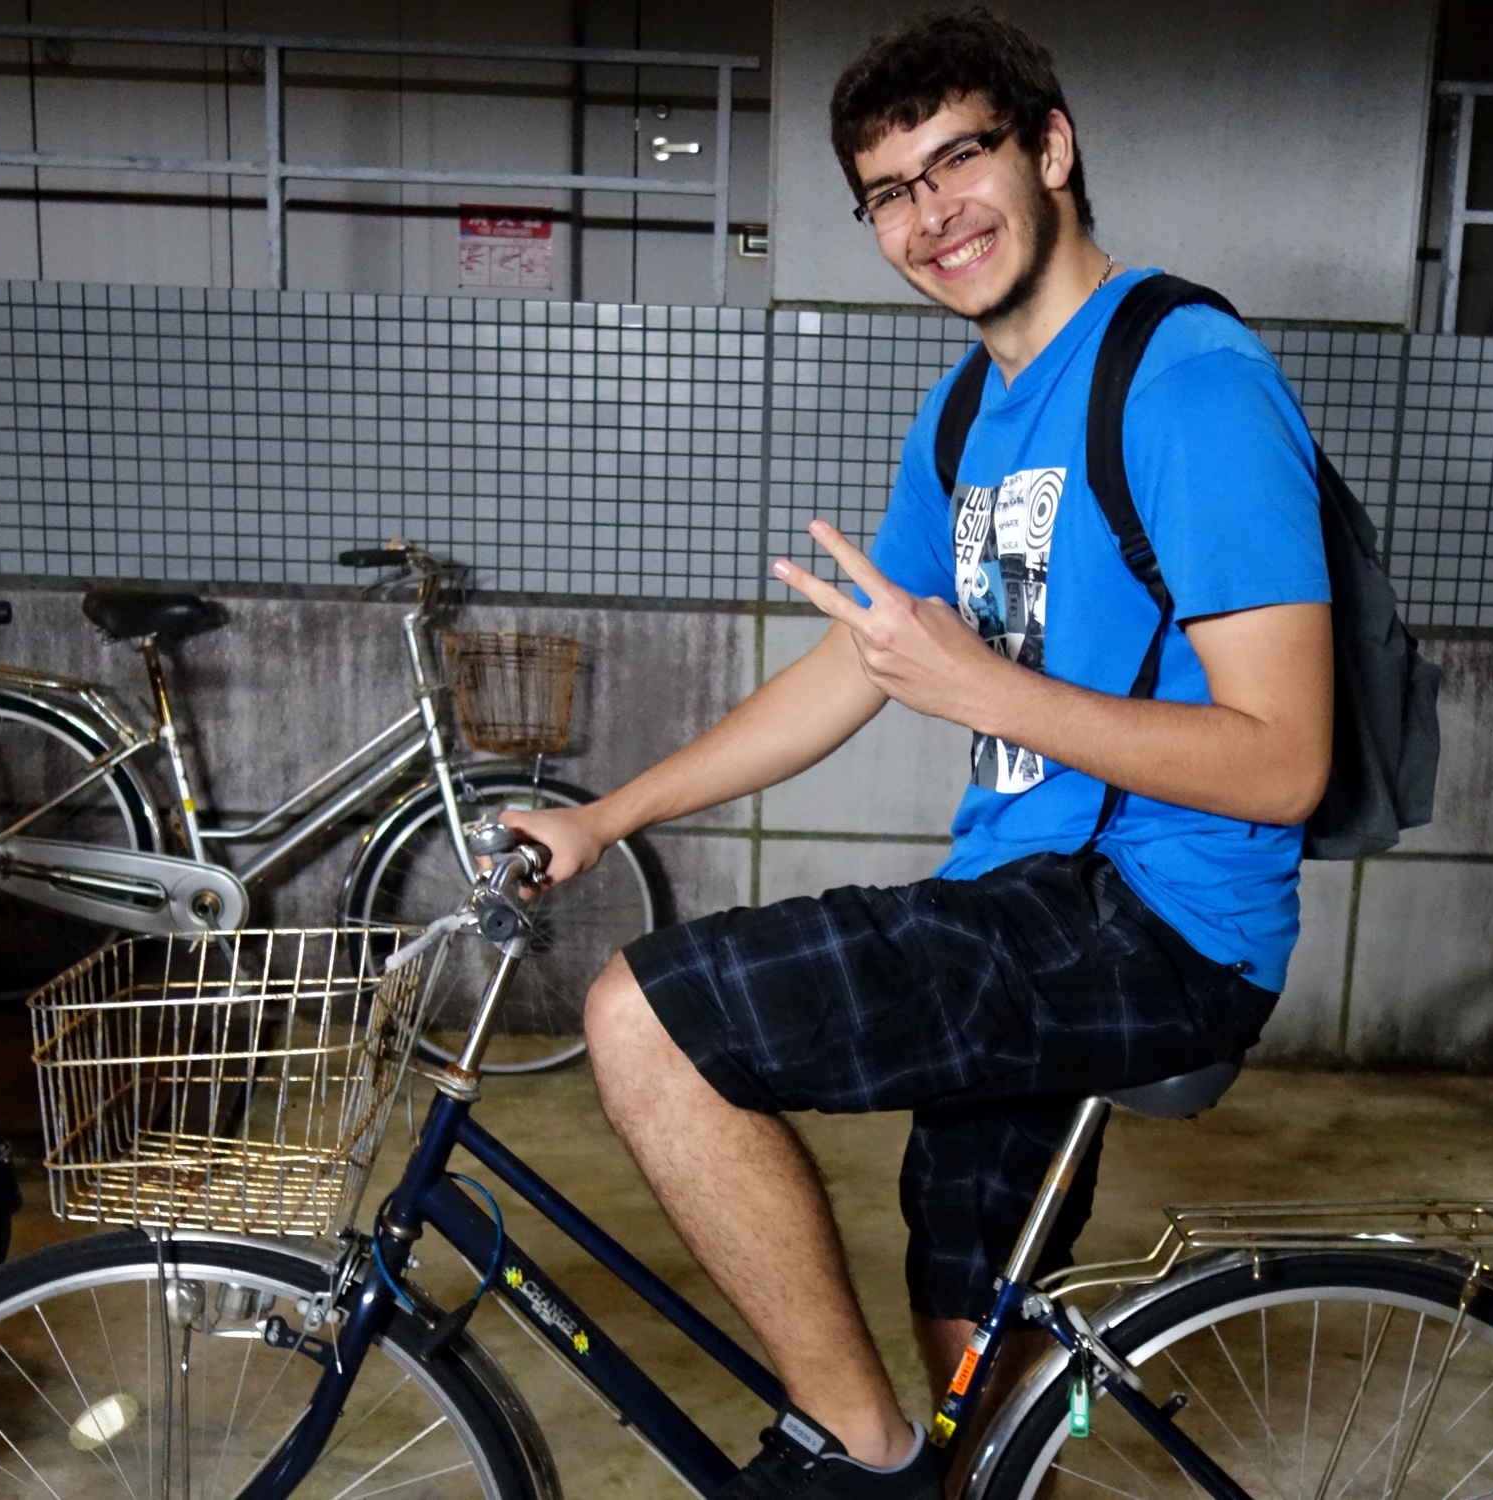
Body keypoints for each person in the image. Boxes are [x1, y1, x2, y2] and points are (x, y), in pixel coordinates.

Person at [501, 8, 1334, 1499]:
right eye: (891, 190)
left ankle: (853, 1455)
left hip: (1152, 925)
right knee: (975, 1361)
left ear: (1054, 150)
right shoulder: (967, 413)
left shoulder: (1185, 379)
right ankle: (964, 1468)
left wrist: (984, 690)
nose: (932, 214)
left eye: (963, 160)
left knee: (646, 1020)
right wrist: (609, 818)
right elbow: (856, 667)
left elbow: (1282, 763)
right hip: (1027, 894)